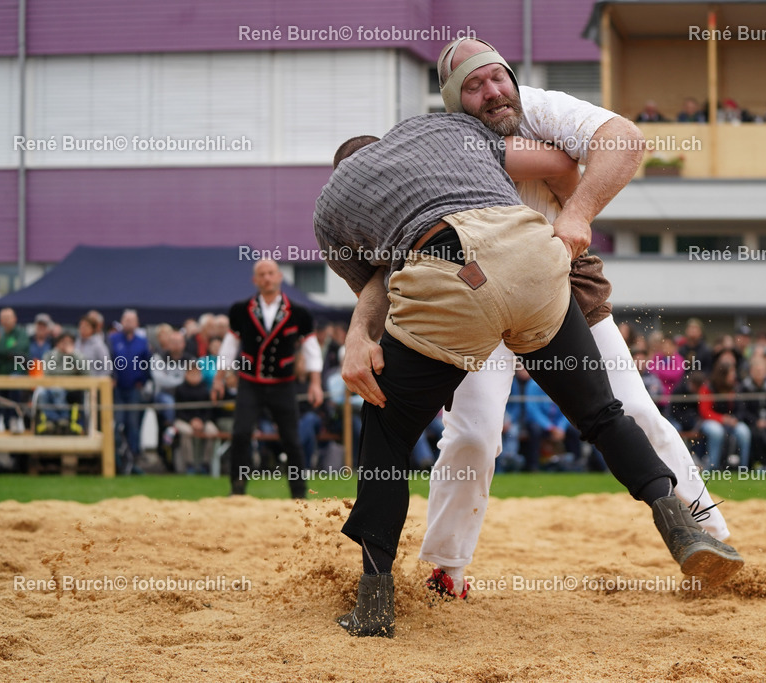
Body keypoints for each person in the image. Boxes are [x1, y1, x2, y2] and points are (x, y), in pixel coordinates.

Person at [314, 111, 742, 635]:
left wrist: (361, 342)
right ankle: (678, 523)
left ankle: (375, 603)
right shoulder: (445, 131)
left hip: (450, 282)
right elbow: (562, 159)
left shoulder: (332, 204)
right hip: (534, 263)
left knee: (386, 430)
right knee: (603, 415)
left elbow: (379, 285)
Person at [401, 37, 732, 601]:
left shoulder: (540, 106)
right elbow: (551, 163)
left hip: (562, 274)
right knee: (474, 436)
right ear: (455, 101)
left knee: (634, 410)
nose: (493, 91)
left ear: (511, 76)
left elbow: (624, 139)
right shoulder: (448, 138)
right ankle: (445, 569)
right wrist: (560, 171)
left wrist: (575, 210)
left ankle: (709, 538)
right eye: (475, 86)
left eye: (497, 77)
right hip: (478, 290)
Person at [211, 259, 324, 497]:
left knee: (292, 439)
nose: (267, 278)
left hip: (283, 385)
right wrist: (219, 379)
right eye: (262, 274)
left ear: (279, 276)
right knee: (241, 433)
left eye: (271, 273)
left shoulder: (299, 312)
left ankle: (298, 493)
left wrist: (315, 384)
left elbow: (311, 349)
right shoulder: (241, 310)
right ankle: (238, 490)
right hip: (250, 383)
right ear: (255, 280)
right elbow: (229, 346)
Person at [109, 309, 151, 473]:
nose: (129, 323)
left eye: (132, 320)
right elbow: (107, 361)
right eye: (126, 319)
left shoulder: (142, 342)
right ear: (121, 321)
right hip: (117, 389)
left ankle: (134, 461)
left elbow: (147, 364)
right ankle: (118, 460)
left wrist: (143, 380)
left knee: (133, 425)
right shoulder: (112, 340)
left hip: (134, 389)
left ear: (137, 323)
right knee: (117, 424)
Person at [697, 361, 750, 469]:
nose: (734, 376)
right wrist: (722, 419)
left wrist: (734, 419)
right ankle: (713, 467)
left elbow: (741, 408)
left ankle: (743, 467)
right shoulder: (708, 388)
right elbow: (705, 412)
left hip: (730, 421)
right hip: (709, 421)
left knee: (744, 431)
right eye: (731, 373)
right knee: (717, 432)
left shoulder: (735, 387)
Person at [36, 333, 88, 435]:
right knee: (41, 393)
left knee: (57, 390)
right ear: (58, 343)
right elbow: (47, 372)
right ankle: (52, 419)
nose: (65, 345)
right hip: (50, 386)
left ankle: (63, 419)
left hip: (71, 389)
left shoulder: (77, 355)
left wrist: (73, 355)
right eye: (63, 342)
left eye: (69, 343)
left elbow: (86, 373)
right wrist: (70, 371)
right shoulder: (50, 355)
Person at [172, 367, 218, 474]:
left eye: (196, 374)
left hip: (202, 421)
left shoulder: (205, 389)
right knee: (188, 432)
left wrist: (201, 421)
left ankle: (206, 463)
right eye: (191, 374)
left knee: (213, 432)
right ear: (186, 375)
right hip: (184, 420)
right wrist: (191, 421)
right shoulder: (180, 389)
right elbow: (178, 411)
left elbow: (208, 411)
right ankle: (190, 464)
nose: (194, 376)